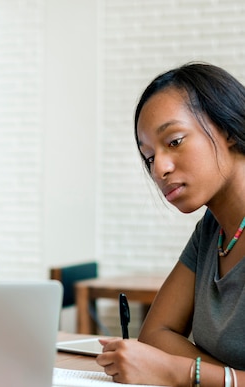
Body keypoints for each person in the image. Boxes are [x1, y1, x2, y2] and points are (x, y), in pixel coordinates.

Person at [96, 62, 245, 386]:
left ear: (230, 130)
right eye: (149, 157)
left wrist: (177, 372)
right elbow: (156, 333)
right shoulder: (212, 230)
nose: (159, 169)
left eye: (174, 141)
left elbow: (166, 362)